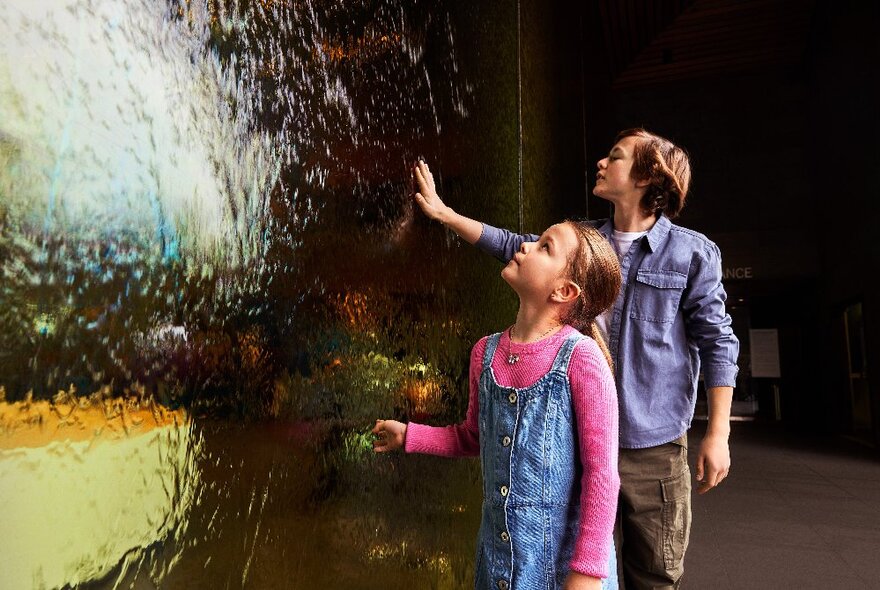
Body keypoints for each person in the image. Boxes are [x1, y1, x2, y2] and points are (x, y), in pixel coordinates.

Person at [410, 128, 740, 589]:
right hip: (573, 446)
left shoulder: (691, 253)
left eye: (616, 156)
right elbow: (512, 246)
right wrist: (446, 215)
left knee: (654, 576)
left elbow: (718, 342)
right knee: (573, 556)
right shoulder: (584, 246)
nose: (602, 163)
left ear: (648, 176)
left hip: (654, 449)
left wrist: (718, 432)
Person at [373, 219, 623, 590]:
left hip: (560, 570)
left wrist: (586, 573)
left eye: (544, 247)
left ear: (564, 291)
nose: (525, 246)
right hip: (498, 565)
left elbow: (602, 476)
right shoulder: (485, 353)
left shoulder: (581, 358)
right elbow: (472, 437)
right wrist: (410, 435)